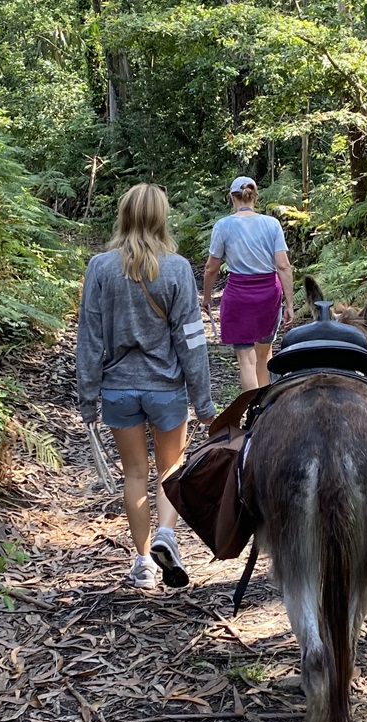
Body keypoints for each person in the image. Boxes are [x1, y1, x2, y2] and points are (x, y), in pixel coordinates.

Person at [76, 183, 216, 590]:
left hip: (118, 389)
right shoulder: (177, 268)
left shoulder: (101, 268)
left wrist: (87, 398)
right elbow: (191, 341)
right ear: (161, 217)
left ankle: (142, 564)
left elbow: (90, 338)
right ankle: (166, 535)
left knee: (135, 473)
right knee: (170, 469)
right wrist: (204, 402)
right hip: (166, 388)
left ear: (124, 215)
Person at [201, 176, 295, 392]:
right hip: (269, 295)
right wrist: (289, 303)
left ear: (232, 198)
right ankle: (267, 406)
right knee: (265, 353)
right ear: (255, 197)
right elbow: (283, 266)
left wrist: (207, 298)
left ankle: (251, 407)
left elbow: (211, 268)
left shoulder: (223, 226)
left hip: (239, 295)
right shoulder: (272, 224)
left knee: (246, 360)